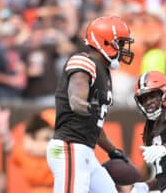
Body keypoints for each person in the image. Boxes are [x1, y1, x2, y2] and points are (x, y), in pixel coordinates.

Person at [46, 16, 134, 193]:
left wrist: (112, 151)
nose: (124, 49)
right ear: (106, 42)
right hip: (69, 147)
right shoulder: (84, 61)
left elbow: (95, 126)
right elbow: (76, 100)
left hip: (85, 151)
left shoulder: (104, 73)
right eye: (121, 43)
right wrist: (86, 106)